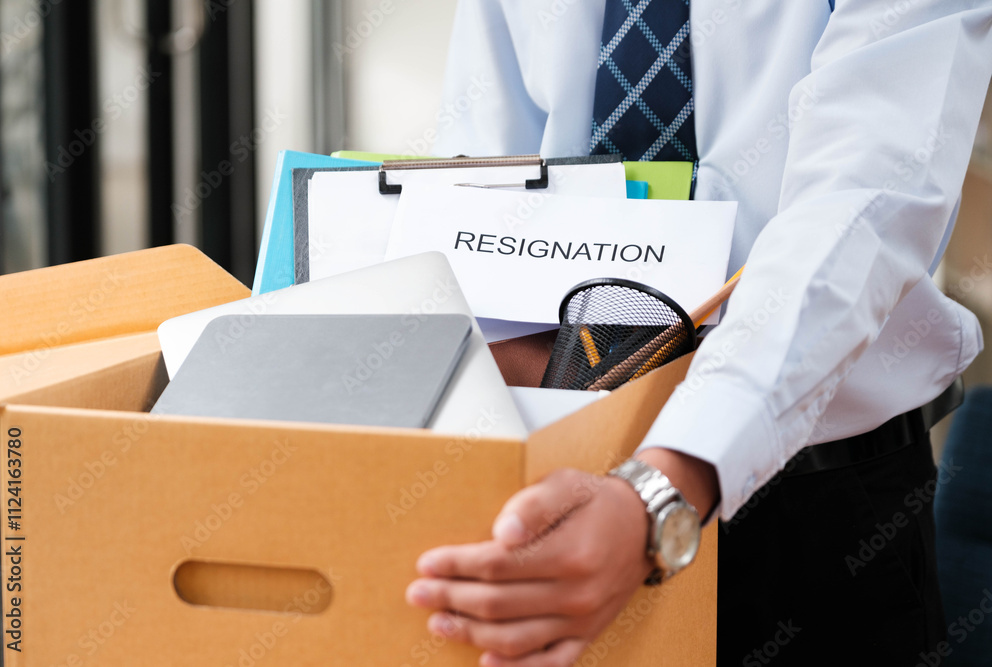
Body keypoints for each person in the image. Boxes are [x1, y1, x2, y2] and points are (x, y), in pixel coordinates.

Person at [405, 1, 992, 664]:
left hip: (813, 513)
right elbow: (486, 164)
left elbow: (861, 208)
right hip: (547, 477)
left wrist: (663, 487)